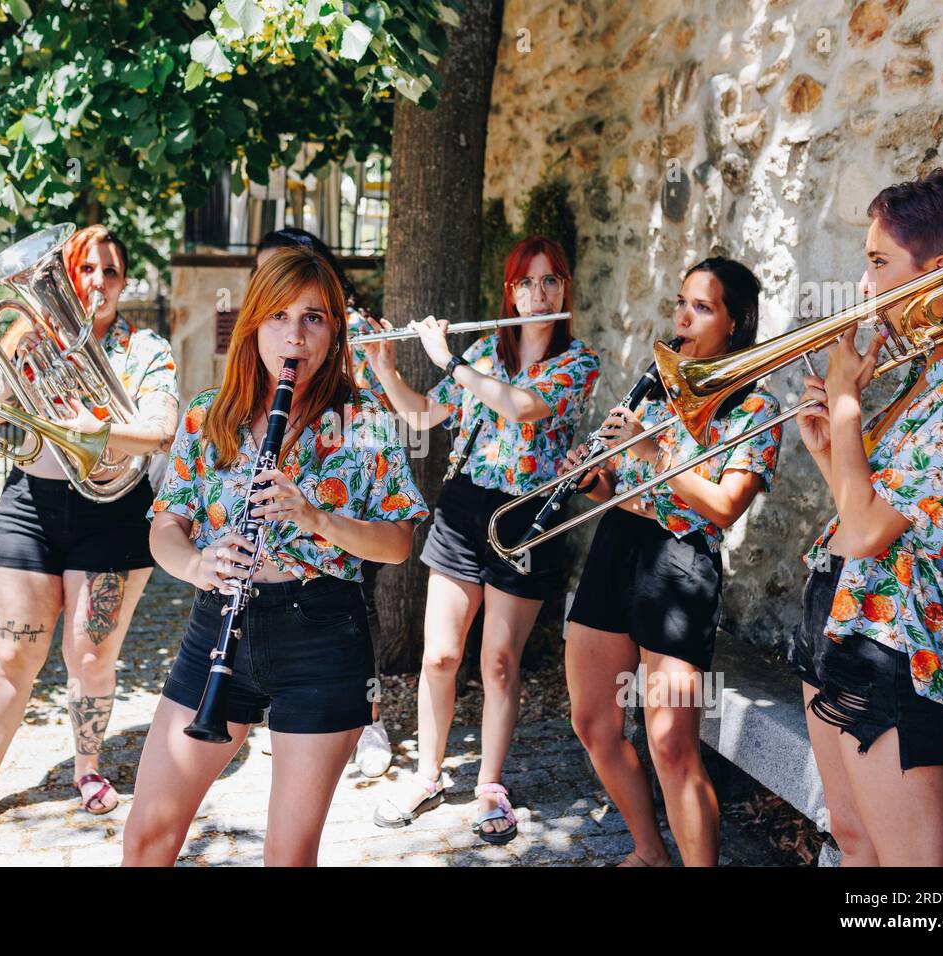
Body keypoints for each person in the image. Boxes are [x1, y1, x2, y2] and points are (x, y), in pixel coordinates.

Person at [122, 245, 428, 866]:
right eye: (279, 317)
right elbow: (165, 528)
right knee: (149, 834)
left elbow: (397, 544)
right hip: (219, 627)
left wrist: (315, 517)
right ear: (253, 323)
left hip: (322, 635)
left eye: (314, 318)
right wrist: (196, 565)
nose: (295, 335)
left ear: (334, 329)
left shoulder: (363, 423)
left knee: (288, 856)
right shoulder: (209, 416)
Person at [791, 168, 943, 866]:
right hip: (841, 612)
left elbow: (866, 532)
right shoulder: (932, 373)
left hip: (902, 649)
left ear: (938, 274)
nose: (864, 287)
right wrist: (833, 448)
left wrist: (846, 403)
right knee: (853, 837)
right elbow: (861, 515)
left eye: (878, 263)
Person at [366, 235, 600, 844]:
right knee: (440, 655)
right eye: (525, 282)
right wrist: (388, 367)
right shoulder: (483, 354)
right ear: (510, 292)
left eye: (550, 281)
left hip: (527, 519)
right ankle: (428, 775)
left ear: (564, 290)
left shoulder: (579, 360)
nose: (537, 293)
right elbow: (421, 415)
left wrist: (449, 362)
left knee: (498, 663)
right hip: (465, 509)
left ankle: (490, 784)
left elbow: (523, 408)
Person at [0, 225, 179, 843]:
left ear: (124, 281)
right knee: (10, 657)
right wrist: (15, 342)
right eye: (86, 269)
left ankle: (88, 768)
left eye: (110, 271)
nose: (98, 282)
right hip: (31, 503)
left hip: (113, 507)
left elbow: (162, 429)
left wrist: (96, 432)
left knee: (90, 654)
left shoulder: (145, 348)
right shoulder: (32, 335)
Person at [563, 257, 781, 867]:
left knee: (671, 743)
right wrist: (592, 477)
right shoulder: (657, 387)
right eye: (682, 302)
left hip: (680, 563)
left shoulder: (755, 410)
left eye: (702, 307)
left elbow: (722, 509)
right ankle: (648, 850)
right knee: (592, 721)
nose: (683, 317)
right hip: (616, 549)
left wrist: (658, 450)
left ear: (736, 325)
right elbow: (619, 486)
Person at [254, 227, 394, 777]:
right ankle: (278, 710)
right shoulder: (272, 328)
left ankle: (370, 717)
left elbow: (386, 403)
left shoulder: (346, 329)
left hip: (345, 464)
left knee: (358, 601)